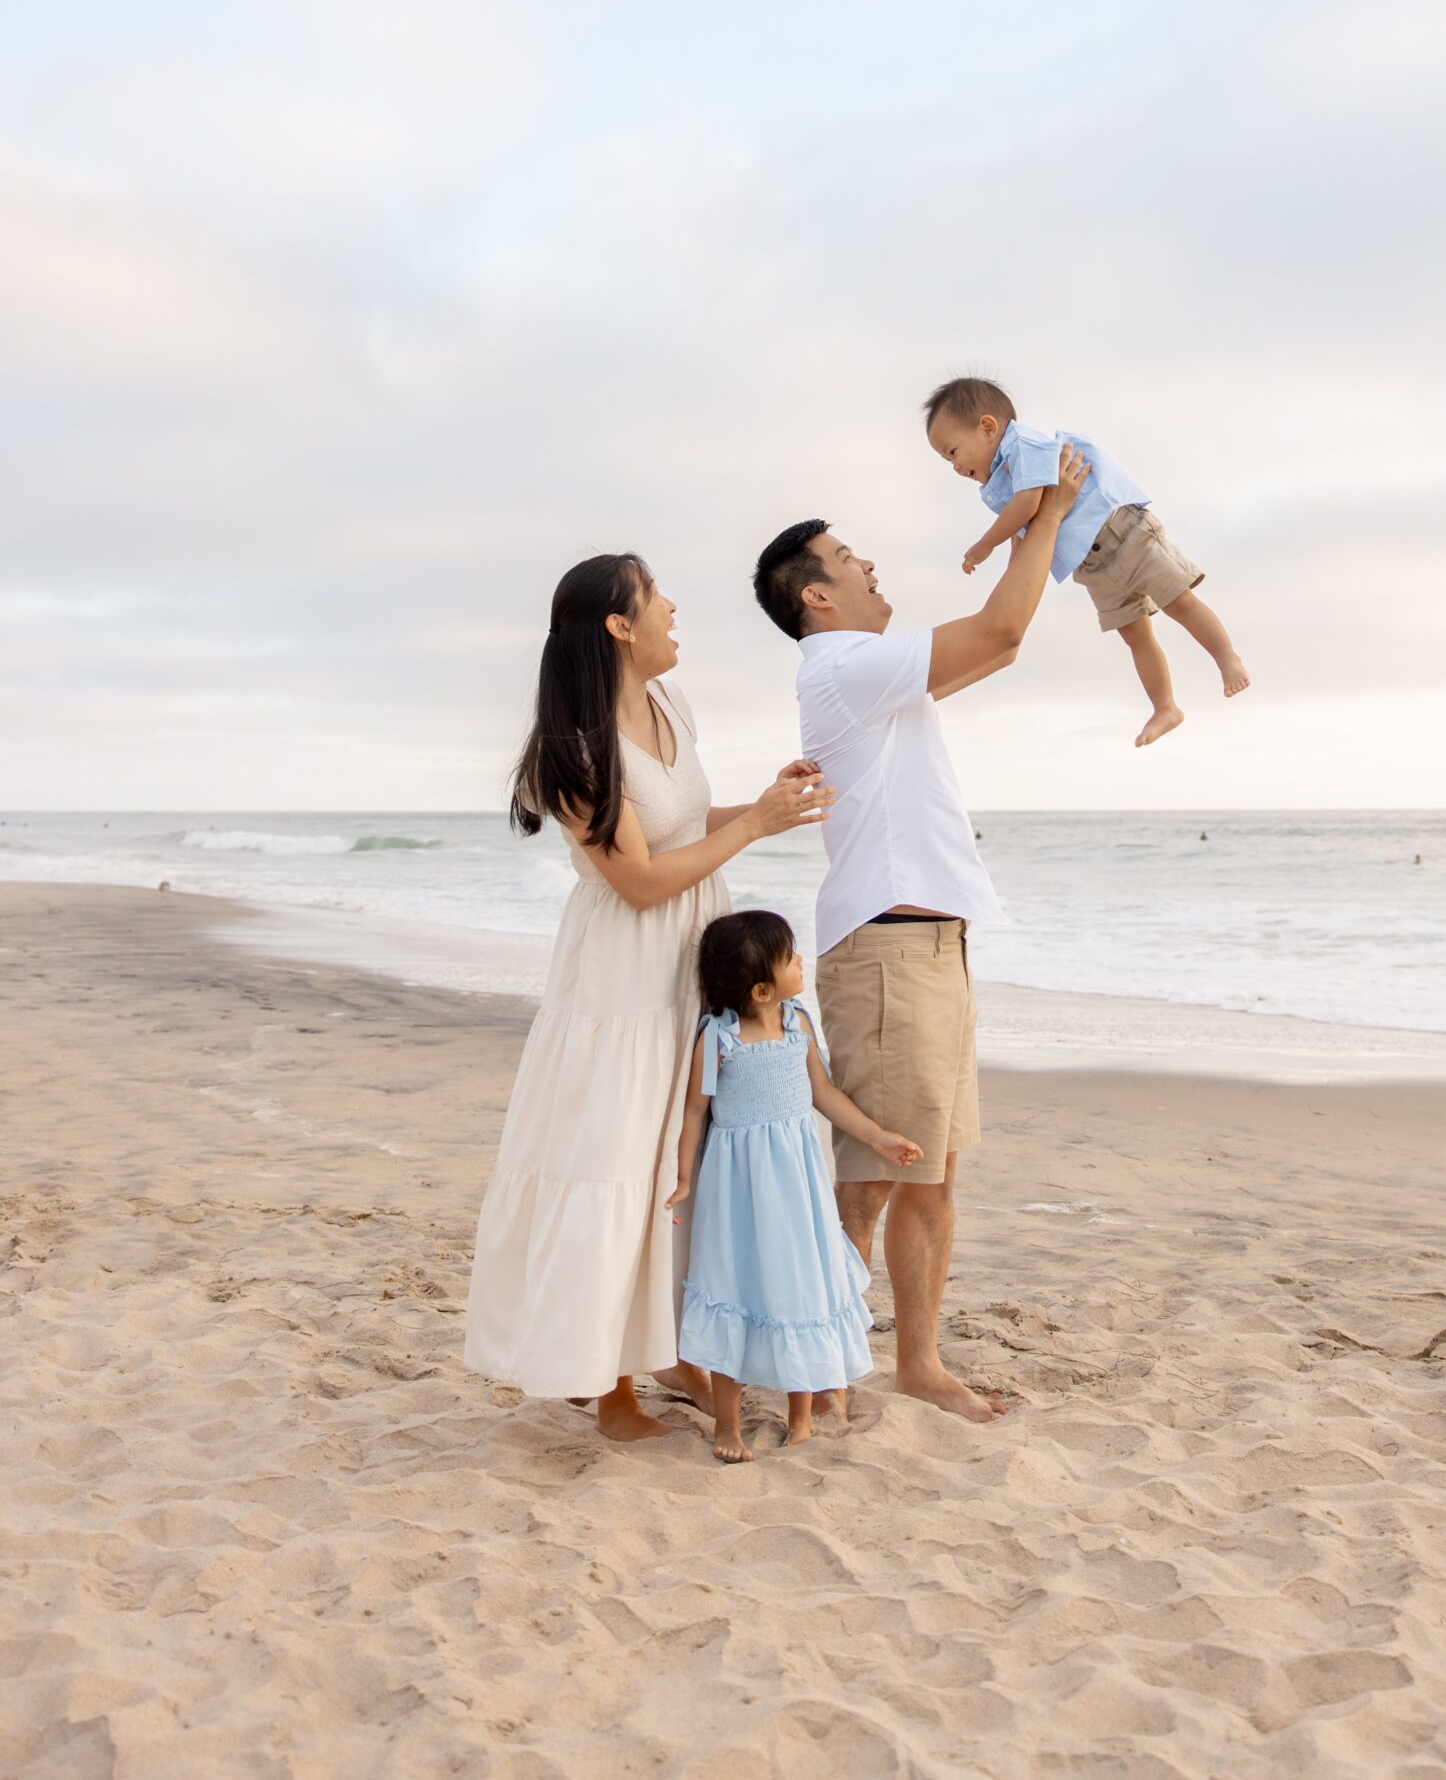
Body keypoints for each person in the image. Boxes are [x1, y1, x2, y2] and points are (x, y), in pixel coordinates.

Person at [751, 441, 1088, 1425]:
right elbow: (1002, 631)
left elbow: (988, 646)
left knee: (927, 1169)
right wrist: (1050, 512)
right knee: (874, 1174)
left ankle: (915, 1363)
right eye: (848, 557)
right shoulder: (845, 663)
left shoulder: (862, 672)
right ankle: (814, 1361)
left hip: (926, 943)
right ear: (816, 596)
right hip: (892, 948)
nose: (867, 566)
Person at [462, 554, 833, 1444]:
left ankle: (670, 1346)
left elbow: (686, 824)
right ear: (620, 627)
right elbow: (634, 879)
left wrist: (768, 805)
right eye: (656, 595)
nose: (673, 608)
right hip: (624, 974)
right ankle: (611, 1389)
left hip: (689, 956)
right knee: (619, 1159)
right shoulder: (576, 748)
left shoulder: (671, 706)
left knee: (681, 1156)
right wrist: (754, 829)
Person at [666, 909, 922, 1463]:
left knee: (800, 1285)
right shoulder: (719, 1038)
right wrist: (684, 1178)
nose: (801, 960)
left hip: (798, 1187)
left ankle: (801, 1417)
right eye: (790, 957)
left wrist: (877, 1137)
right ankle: (727, 1425)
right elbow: (694, 1112)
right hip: (738, 1189)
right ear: (760, 987)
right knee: (736, 1286)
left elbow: (823, 1094)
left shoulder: (798, 1021)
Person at [924, 373, 1249, 749]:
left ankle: (1227, 658)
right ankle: (1165, 706)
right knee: (1136, 637)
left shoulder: (1023, 446)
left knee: (1180, 602)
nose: (955, 467)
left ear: (987, 427)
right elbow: (1024, 533)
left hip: (1125, 535)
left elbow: (1029, 506)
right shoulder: (1000, 483)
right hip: (1092, 566)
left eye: (952, 452)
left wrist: (983, 545)